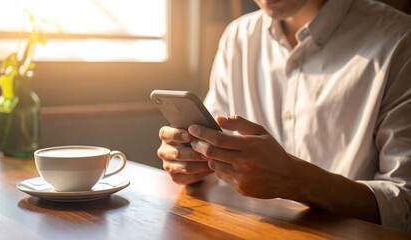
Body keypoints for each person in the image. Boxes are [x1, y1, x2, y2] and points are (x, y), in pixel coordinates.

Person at [156, 0, 411, 231]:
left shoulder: (399, 39)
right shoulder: (238, 38)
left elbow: (405, 203)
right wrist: (192, 160)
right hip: (242, 228)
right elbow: (212, 145)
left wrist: (295, 181)